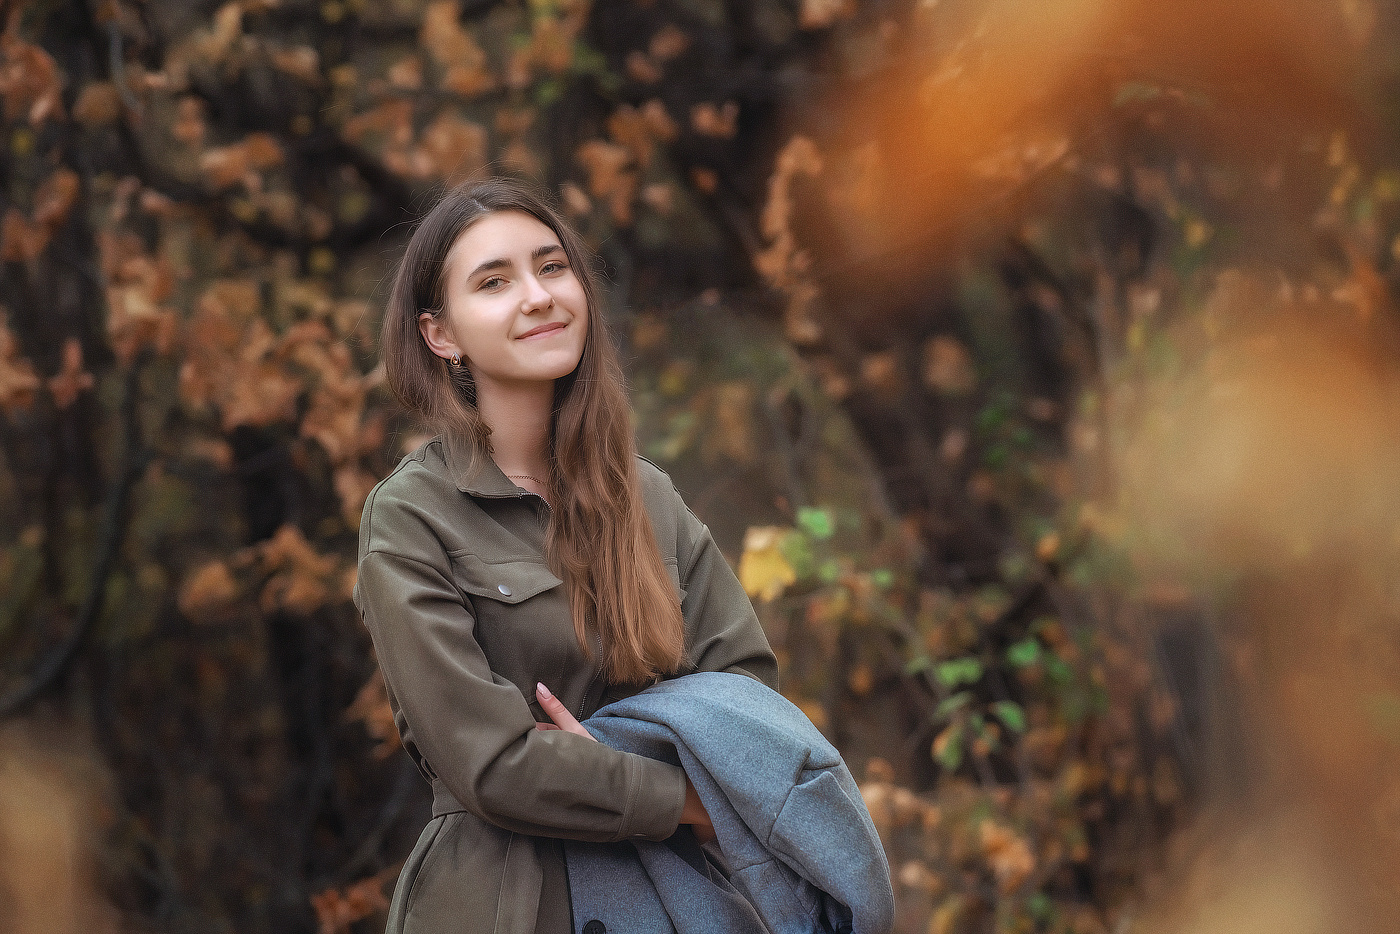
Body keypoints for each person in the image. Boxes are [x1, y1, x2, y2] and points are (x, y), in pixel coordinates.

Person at [354, 176, 779, 934]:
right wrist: (682, 800)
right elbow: (492, 765)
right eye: (494, 281)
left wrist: (602, 758)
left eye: (553, 267)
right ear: (439, 335)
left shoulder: (650, 500)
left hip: (680, 903)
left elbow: (750, 707)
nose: (540, 295)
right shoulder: (410, 517)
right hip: (505, 905)